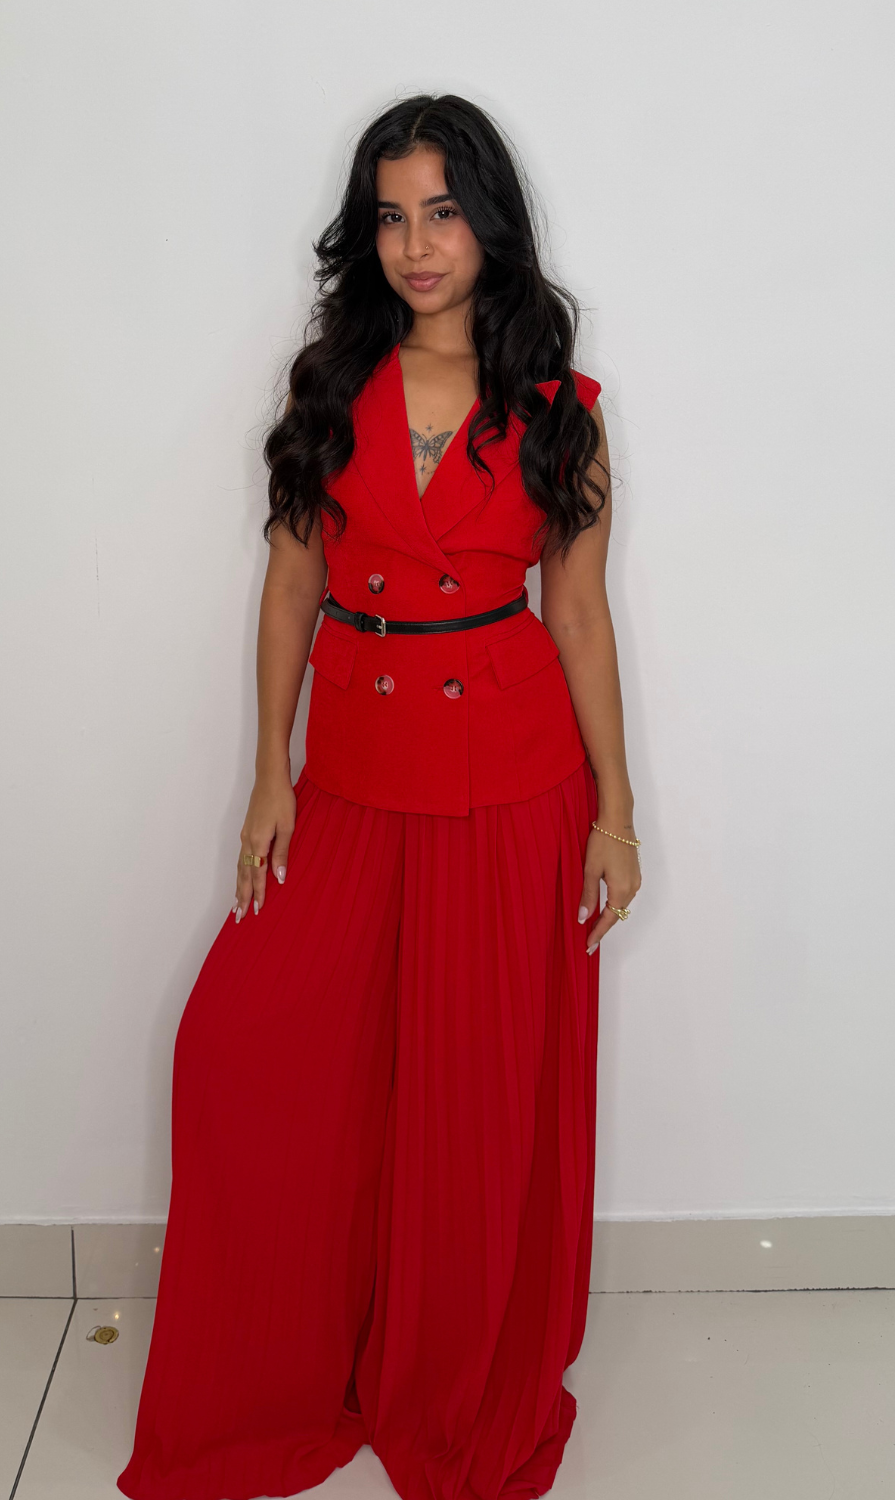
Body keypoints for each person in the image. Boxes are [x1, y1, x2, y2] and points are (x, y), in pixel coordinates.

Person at [117, 92, 640, 1500]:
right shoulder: (328, 387)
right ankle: (287, 1366)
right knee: (239, 1049)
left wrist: (616, 812)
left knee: (472, 1109)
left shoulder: (562, 412)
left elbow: (579, 618)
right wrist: (267, 777)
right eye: (393, 216)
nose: (418, 245)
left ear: (490, 223)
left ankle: (448, 1385)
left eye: (444, 212)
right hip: (352, 768)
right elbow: (293, 585)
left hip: (513, 785)